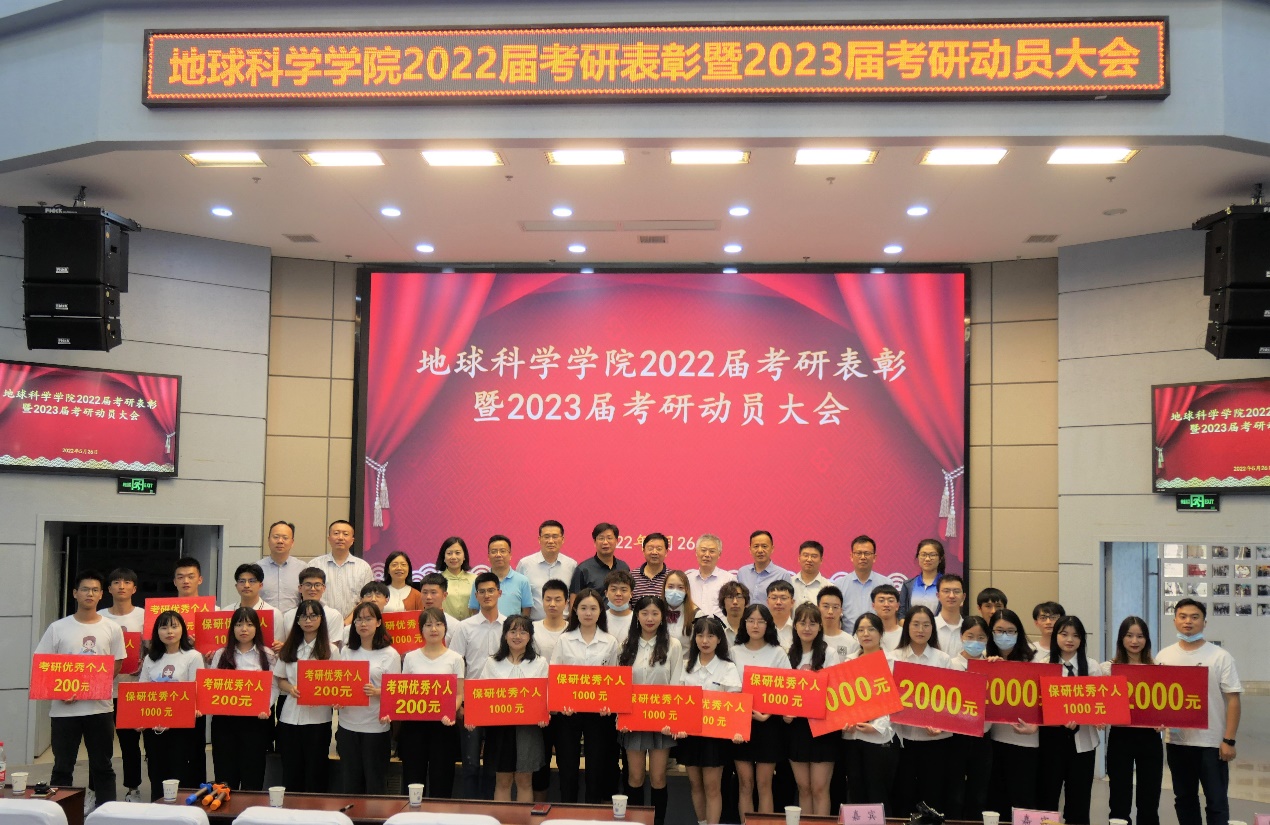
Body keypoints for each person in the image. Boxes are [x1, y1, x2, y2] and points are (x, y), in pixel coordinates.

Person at [35, 570, 126, 812]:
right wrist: (60, 690)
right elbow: (43, 664)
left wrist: (94, 685)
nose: (90, 594)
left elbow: (117, 663)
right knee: (63, 767)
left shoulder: (112, 628)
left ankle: (106, 812)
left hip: (100, 708)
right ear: (75, 593)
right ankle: (60, 813)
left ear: (101, 595)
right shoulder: (58, 628)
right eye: (85, 589)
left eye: (95, 590)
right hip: (64, 711)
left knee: (102, 765)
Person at [1155, 598, 1242, 825]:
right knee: (1184, 799)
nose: (1188, 622)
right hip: (1177, 741)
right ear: (1175, 620)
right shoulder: (1163, 657)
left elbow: (1233, 699)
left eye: (1195, 617)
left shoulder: (1220, 656)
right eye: (1183, 616)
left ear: (1204, 622)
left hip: (1212, 743)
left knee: (1216, 801)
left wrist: (1229, 740)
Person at [551, 587, 621, 804]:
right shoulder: (564, 640)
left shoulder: (610, 642)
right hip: (567, 713)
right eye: (583, 608)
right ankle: (567, 811)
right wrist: (560, 703)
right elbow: (555, 675)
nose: (588, 613)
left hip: (599, 715)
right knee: (568, 766)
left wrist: (610, 705)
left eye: (593, 608)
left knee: (596, 767)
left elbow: (614, 680)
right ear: (575, 610)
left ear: (601, 611)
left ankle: (593, 812)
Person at [617, 595, 682, 825]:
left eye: (655, 613)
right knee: (635, 776)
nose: (650, 618)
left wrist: (673, 719)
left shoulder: (673, 645)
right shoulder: (626, 645)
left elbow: (676, 683)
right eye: (644, 613)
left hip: (662, 721)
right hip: (632, 720)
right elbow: (619, 686)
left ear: (663, 617)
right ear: (637, 616)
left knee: (658, 777)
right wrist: (620, 716)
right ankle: (635, 822)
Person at [673, 616, 743, 825]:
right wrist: (678, 726)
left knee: (712, 787)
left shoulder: (728, 667)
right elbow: (678, 702)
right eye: (700, 635)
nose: (705, 641)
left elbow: (734, 704)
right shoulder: (685, 666)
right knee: (695, 785)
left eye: (710, 636)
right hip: (690, 735)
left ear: (719, 639)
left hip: (715, 737)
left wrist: (736, 730)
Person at [474, 615, 550, 801]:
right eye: (513, 631)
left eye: (523, 632)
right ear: (505, 635)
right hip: (500, 729)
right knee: (503, 781)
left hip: (528, 729)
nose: (517, 636)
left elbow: (547, 696)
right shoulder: (492, 663)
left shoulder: (540, 663)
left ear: (530, 636)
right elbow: (482, 697)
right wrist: (474, 716)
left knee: (525, 781)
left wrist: (544, 713)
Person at [888, 605, 954, 816]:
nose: (920, 629)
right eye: (915, 624)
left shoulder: (943, 659)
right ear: (907, 627)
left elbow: (950, 701)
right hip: (902, 739)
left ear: (932, 629)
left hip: (935, 740)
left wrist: (941, 726)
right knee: (903, 794)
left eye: (926, 625)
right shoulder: (893, 658)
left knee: (932, 794)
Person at [450, 571, 507, 798]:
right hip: (471, 702)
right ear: (476, 596)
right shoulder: (465, 627)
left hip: (500, 701)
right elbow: (454, 666)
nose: (486, 595)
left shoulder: (509, 625)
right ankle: (470, 809)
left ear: (499, 593)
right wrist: (459, 704)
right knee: (471, 763)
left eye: (491, 590)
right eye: (482, 591)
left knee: (494, 765)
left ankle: (489, 810)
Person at [1037, 615, 1098, 824]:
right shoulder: (1044, 665)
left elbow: (1101, 703)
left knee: (1079, 800)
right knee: (1047, 796)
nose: (1070, 640)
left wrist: (1099, 717)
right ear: (1056, 636)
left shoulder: (1092, 667)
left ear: (1082, 639)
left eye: (1075, 635)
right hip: (1051, 740)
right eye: (1064, 634)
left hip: (1084, 742)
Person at [1101, 616, 1163, 825]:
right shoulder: (1107, 669)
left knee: (1149, 798)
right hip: (1120, 736)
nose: (1135, 641)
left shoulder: (1158, 668)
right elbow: (1099, 702)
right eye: (1129, 635)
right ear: (1121, 638)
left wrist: (1164, 720)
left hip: (1150, 737)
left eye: (1140, 636)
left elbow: (1164, 706)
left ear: (1147, 640)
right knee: (1119, 796)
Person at [137, 609, 204, 799]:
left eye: (174, 626)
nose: (169, 632)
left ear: (183, 629)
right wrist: (142, 720)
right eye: (164, 627)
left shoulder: (193, 656)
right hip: (155, 726)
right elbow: (142, 692)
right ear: (156, 632)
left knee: (181, 773)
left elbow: (195, 692)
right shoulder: (151, 658)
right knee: (157, 771)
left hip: (182, 729)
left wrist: (172, 719)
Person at [208, 606, 277, 790]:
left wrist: (265, 706)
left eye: (249, 624)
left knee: (252, 774)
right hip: (224, 722)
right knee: (225, 776)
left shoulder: (267, 655)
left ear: (257, 628)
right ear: (232, 628)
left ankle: (249, 807)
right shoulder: (221, 654)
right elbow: (211, 685)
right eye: (239, 624)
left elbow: (274, 685)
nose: (244, 629)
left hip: (255, 722)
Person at [731, 603, 790, 818]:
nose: (755, 626)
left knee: (764, 783)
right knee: (745, 783)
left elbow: (788, 690)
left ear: (768, 625)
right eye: (750, 621)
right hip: (740, 724)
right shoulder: (734, 651)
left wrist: (768, 714)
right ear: (744, 623)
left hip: (769, 725)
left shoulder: (778, 653)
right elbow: (728, 687)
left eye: (761, 621)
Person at [336, 601, 401, 794]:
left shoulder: (390, 654)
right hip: (348, 725)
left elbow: (396, 691)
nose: (363, 623)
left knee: (375, 783)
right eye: (359, 619)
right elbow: (340, 685)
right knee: (350, 783)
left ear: (379, 622)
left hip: (376, 726)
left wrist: (378, 691)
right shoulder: (347, 651)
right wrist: (337, 698)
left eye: (368, 619)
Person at [400, 607, 464, 799]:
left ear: (445, 628)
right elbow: (403, 692)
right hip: (414, 726)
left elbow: (459, 694)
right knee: (413, 776)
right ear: (421, 629)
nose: (433, 629)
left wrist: (450, 712)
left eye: (438, 624)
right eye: (428, 625)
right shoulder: (410, 657)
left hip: (443, 726)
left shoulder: (455, 658)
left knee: (441, 778)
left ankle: (439, 813)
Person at [274, 599, 338, 792]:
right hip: (290, 717)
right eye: (303, 616)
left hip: (319, 718)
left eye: (313, 616)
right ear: (297, 620)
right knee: (291, 770)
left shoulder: (331, 650)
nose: (308, 620)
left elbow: (338, 682)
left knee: (315, 771)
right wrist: (290, 688)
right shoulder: (289, 648)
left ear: (321, 619)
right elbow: (280, 679)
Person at [786, 603, 844, 815]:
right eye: (802, 623)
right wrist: (784, 714)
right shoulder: (787, 655)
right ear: (795, 626)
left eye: (812, 623)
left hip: (822, 728)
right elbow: (781, 693)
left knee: (820, 788)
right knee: (803, 788)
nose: (807, 628)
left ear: (820, 627)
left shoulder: (830, 654)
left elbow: (835, 692)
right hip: (796, 728)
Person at [985, 608, 1041, 818]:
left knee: (1023, 801)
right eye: (999, 631)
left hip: (1026, 741)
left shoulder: (1033, 660)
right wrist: (992, 670)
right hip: (994, 740)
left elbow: (1044, 700)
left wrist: (1036, 726)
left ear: (1019, 632)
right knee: (996, 801)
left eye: (1010, 631)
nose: (1005, 636)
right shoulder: (984, 658)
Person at [843, 613, 899, 814]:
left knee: (878, 793)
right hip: (852, 736)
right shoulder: (848, 661)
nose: (865, 634)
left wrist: (876, 726)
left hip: (879, 738)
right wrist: (844, 721)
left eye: (871, 629)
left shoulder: (892, 662)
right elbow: (842, 699)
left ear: (881, 633)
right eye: (860, 630)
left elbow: (897, 701)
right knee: (856, 791)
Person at [99, 567, 145, 803]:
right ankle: (95, 790)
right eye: (116, 582)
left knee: (130, 744)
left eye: (127, 582)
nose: (121, 586)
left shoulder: (144, 616)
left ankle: (133, 789)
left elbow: (155, 648)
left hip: (132, 690)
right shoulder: (99, 616)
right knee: (100, 745)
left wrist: (144, 663)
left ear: (134, 589)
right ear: (109, 589)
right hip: (103, 691)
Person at [947, 616, 993, 820]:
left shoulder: (993, 665)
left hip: (983, 736)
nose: (975, 641)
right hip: (956, 737)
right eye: (970, 636)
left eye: (981, 637)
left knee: (979, 792)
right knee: (954, 792)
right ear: (961, 637)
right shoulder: (950, 664)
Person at [532, 578, 570, 801]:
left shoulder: (574, 629)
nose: (553, 604)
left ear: (566, 602)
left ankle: (567, 808)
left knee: (567, 759)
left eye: (558, 599)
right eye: (548, 599)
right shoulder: (532, 629)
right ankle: (538, 809)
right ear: (542, 601)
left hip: (567, 706)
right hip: (538, 704)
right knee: (540, 760)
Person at [313, 520, 374, 621]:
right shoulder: (315, 565)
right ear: (329, 539)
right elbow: (309, 596)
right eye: (336, 533)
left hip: (354, 624)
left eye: (345, 534)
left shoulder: (363, 567)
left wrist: (347, 622)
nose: (340, 537)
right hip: (321, 623)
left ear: (352, 540)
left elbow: (368, 598)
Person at [517, 519, 578, 620]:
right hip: (533, 624)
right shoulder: (525, 564)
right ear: (539, 539)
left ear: (562, 539)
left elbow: (574, 598)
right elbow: (519, 597)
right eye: (546, 537)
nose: (551, 541)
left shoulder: (571, 565)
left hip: (565, 624)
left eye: (555, 536)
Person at [220, 562, 283, 651]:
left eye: (252, 581)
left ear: (260, 585)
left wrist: (279, 647)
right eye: (242, 581)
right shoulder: (226, 612)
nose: (246, 585)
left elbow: (280, 646)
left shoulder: (274, 613)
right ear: (236, 586)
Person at [470, 534, 534, 618]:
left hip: (512, 626)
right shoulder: (479, 581)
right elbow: (474, 609)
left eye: (502, 551)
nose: (498, 555)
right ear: (488, 556)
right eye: (494, 551)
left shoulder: (522, 581)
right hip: (487, 626)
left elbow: (526, 611)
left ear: (510, 555)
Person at [280, 567, 344, 645]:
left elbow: (333, 647)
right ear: (300, 588)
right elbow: (287, 644)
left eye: (317, 585)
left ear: (323, 588)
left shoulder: (334, 615)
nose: (313, 589)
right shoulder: (289, 615)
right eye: (308, 585)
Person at [570, 522, 631, 598]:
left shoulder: (623, 567)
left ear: (616, 541)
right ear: (595, 542)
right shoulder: (583, 569)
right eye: (601, 538)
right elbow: (574, 600)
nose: (605, 542)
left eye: (609, 538)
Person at [840, 535, 889, 629]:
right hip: (849, 636)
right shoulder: (839, 585)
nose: (863, 557)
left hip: (878, 636)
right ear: (851, 556)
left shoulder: (886, 583)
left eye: (867, 553)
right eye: (858, 553)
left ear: (874, 557)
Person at [686, 533, 735, 618]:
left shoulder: (729, 579)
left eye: (712, 551)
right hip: (692, 626)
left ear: (719, 554)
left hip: (720, 626)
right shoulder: (688, 579)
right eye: (703, 550)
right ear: (696, 552)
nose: (707, 555)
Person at [259, 520, 303, 614]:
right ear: (268, 540)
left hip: (293, 621)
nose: (280, 541)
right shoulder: (257, 569)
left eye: (285, 538)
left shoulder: (302, 568)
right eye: (276, 537)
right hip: (264, 620)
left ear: (292, 542)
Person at [737, 530, 791, 605]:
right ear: (750, 549)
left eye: (764, 546)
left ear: (772, 549)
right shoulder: (742, 572)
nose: (760, 550)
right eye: (756, 546)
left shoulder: (782, 575)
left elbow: (787, 604)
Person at [898, 538, 945, 618]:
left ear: (940, 559)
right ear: (918, 557)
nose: (927, 559)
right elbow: (901, 615)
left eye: (932, 555)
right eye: (923, 554)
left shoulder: (947, 584)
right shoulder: (908, 585)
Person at [437, 536, 476, 622]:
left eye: (457, 553)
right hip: (445, 626)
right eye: (449, 553)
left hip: (471, 626)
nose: (453, 557)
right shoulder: (437, 581)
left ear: (464, 556)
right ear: (443, 557)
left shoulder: (475, 579)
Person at [817, 585, 861, 661]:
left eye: (835, 607)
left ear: (841, 610)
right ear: (817, 608)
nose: (830, 611)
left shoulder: (852, 643)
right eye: (826, 606)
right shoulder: (810, 638)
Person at [663, 570, 698, 648]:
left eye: (680, 587)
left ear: (686, 590)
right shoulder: (657, 612)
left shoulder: (696, 614)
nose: (675, 592)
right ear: (664, 588)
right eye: (670, 587)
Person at [790, 540, 833, 606]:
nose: (809, 559)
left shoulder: (829, 588)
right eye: (806, 555)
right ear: (799, 558)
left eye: (814, 556)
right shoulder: (789, 583)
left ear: (821, 560)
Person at [934, 573, 967, 656]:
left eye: (956, 591)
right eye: (946, 591)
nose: (951, 596)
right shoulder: (929, 626)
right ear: (938, 596)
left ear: (963, 597)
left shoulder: (969, 628)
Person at [417, 572, 455, 645]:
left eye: (433, 592)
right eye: (425, 592)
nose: (428, 597)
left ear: (444, 595)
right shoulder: (412, 622)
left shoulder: (454, 625)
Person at [632, 532, 671, 601]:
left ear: (666, 552)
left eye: (659, 549)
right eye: (650, 548)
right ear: (643, 551)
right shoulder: (632, 576)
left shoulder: (671, 577)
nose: (654, 552)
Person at [606, 569, 637, 642]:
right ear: (606, 593)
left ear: (631, 594)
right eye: (613, 589)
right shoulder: (599, 619)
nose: (618, 594)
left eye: (623, 590)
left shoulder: (638, 620)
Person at [871, 584, 903, 650]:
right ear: (873, 606)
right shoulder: (865, 634)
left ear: (897, 606)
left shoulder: (906, 634)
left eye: (890, 601)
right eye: (881, 601)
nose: (886, 604)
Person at [766, 579, 796, 649]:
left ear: (792, 602)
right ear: (767, 602)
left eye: (783, 598)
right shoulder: (761, 628)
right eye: (774, 598)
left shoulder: (798, 629)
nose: (778, 602)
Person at [718, 581, 750, 646]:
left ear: (746, 602)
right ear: (723, 602)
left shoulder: (753, 628)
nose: (735, 602)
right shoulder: (717, 629)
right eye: (730, 597)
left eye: (739, 597)